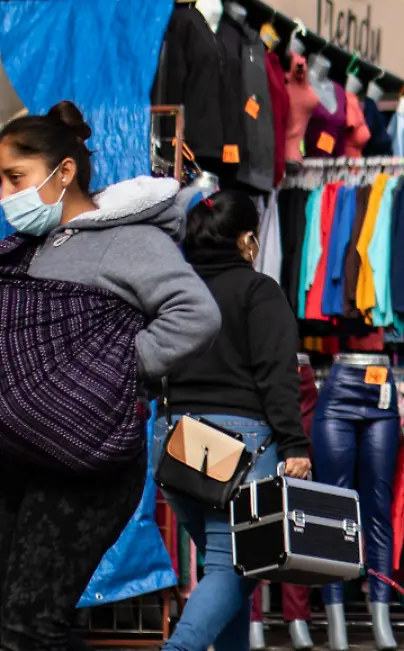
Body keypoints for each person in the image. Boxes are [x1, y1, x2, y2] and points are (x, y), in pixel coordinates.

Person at [0, 101, 220, 651]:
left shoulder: (130, 240)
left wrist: (115, 373)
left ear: (63, 171)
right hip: (21, 456)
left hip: (86, 462)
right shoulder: (30, 250)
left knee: (29, 627)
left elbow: (196, 314)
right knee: (17, 620)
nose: (6, 195)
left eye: (14, 178)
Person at [154, 190, 312, 651]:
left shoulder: (176, 289)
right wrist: (294, 443)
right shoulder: (257, 290)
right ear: (246, 239)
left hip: (176, 438)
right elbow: (277, 373)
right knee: (238, 566)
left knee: (227, 565)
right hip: (240, 443)